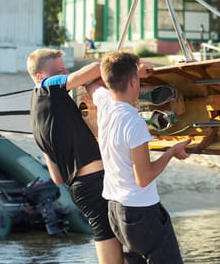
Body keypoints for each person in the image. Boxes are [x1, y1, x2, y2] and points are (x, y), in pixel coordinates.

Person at [87, 51, 190, 264]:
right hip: (141, 211)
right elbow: (144, 177)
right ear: (135, 81)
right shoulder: (135, 124)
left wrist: (124, 70)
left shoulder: (105, 103)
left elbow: (91, 84)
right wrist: (171, 152)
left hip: (115, 211)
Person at [27, 49, 127, 264]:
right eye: (60, 71)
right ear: (39, 77)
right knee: (119, 244)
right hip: (95, 182)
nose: (67, 73)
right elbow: (92, 69)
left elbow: (57, 177)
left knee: (109, 238)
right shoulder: (47, 88)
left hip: (80, 188)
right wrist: (120, 63)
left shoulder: (37, 118)